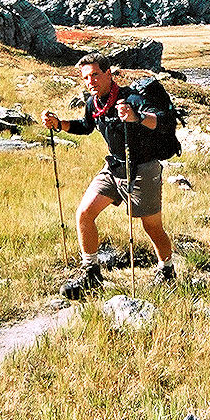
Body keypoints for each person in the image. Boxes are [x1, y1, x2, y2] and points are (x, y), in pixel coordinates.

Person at [42, 53, 175, 292]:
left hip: (143, 169)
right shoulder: (94, 103)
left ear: (108, 73)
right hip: (114, 168)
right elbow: (86, 126)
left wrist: (138, 117)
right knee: (84, 213)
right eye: (85, 77)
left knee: (152, 227)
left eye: (95, 74)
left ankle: (166, 269)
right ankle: (91, 273)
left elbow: (164, 121)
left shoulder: (132, 99)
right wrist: (59, 124)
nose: (90, 81)